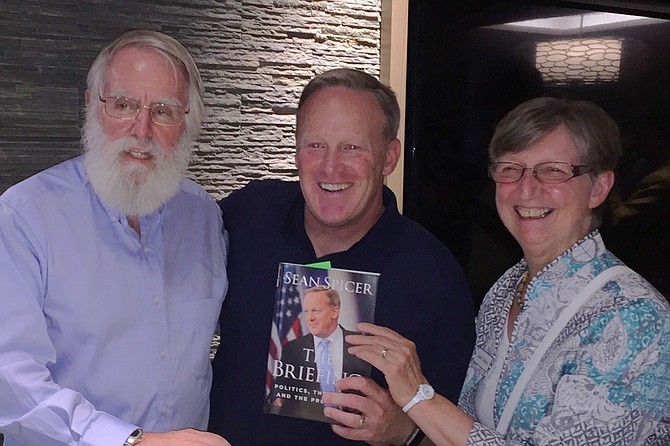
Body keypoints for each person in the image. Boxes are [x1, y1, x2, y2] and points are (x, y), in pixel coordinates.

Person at [346, 97, 670, 445]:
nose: (526, 189)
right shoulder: (505, 291)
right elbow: (474, 432)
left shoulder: (636, 318)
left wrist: (418, 396)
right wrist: (405, 432)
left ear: (598, 188)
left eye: (553, 170)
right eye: (510, 169)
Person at [209, 68, 476, 446]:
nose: (330, 167)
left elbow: (465, 433)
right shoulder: (248, 216)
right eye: (315, 145)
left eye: (352, 147)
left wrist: (403, 432)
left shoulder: (434, 277)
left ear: (389, 157)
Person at [0, 30, 230, 446]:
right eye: (123, 105)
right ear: (92, 106)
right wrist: (132, 442)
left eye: (163, 111)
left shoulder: (203, 219)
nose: (141, 130)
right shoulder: (26, 218)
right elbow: (10, 381)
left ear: (187, 123)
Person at [269, 286, 369, 421]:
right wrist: (278, 399)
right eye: (306, 311)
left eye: (315, 311)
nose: (310, 318)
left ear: (334, 312)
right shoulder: (292, 348)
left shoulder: (360, 344)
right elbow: (279, 390)